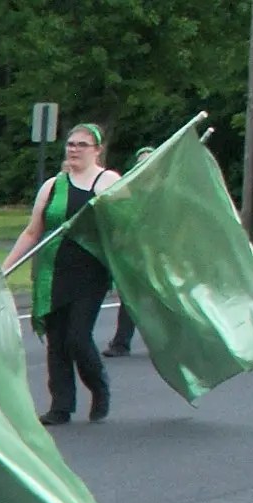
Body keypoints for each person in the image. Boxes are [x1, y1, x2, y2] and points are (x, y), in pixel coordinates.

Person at [2, 123, 120, 423]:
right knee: (56, 340)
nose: (74, 149)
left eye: (82, 145)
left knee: (78, 338)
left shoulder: (109, 182)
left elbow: (122, 227)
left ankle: (99, 387)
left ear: (97, 149)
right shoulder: (54, 185)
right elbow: (32, 232)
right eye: (70, 144)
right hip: (52, 272)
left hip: (90, 273)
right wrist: (4, 269)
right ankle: (61, 406)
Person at [101, 145, 155, 359]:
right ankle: (121, 342)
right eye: (140, 161)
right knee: (130, 297)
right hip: (135, 252)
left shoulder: (164, 192)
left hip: (159, 254)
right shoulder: (127, 191)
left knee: (166, 300)